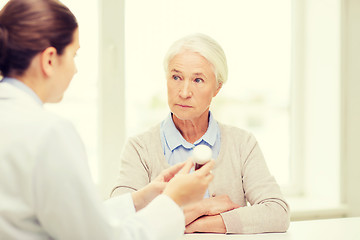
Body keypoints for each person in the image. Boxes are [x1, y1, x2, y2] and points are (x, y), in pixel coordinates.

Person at [0, 1, 214, 240]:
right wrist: (173, 201)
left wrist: (140, 198)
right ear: (49, 59)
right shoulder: (49, 133)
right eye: (74, 54)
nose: (75, 69)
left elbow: (74, 220)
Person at [111, 33, 290, 234]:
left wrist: (190, 223)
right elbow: (118, 217)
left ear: (217, 88)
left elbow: (277, 212)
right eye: (176, 77)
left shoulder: (242, 144)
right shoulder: (139, 147)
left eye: (198, 80)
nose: (184, 92)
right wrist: (204, 207)